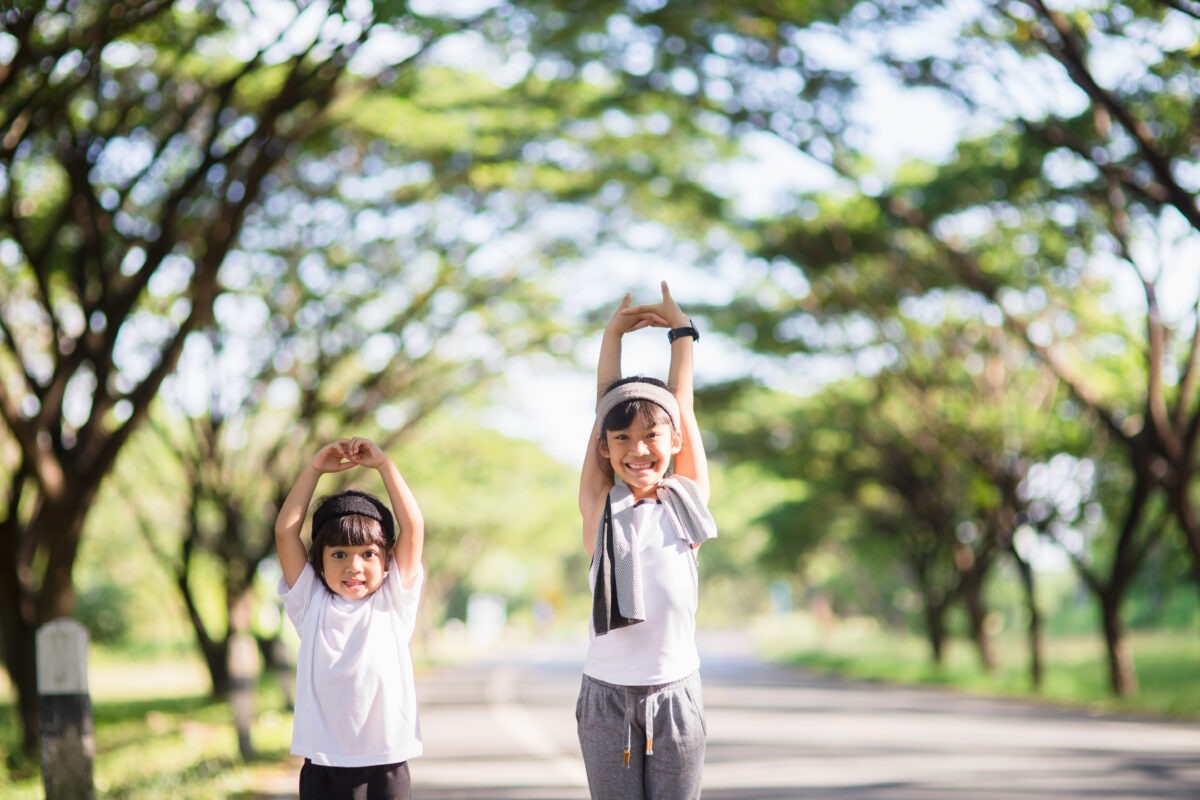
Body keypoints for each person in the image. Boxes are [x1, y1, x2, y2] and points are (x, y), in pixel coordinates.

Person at [576, 282, 718, 800]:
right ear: (605, 449)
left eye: (652, 435)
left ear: (675, 440)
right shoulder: (600, 509)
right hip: (606, 696)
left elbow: (682, 402)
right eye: (622, 439)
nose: (638, 448)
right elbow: (604, 405)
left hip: (677, 692)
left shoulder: (687, 505)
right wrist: (613, 334)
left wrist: (682, 332)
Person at [275, 436, 425, 800]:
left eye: (368, 554)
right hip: (323, 763)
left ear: (386, 559)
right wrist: (313, 470)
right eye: (339, 554)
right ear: (319, 560)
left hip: (385, 762)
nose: (354, 567)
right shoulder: (310, 602)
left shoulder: (393, 600)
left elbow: (413, 526)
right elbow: (285, 531)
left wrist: (384, 465)